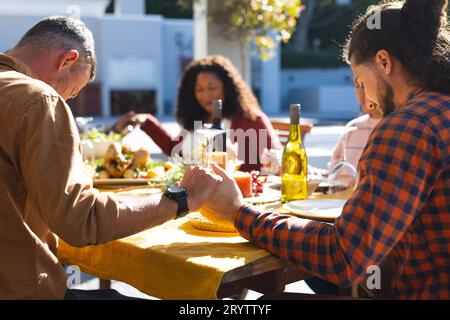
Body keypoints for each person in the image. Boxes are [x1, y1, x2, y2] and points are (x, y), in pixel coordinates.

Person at [202, 0, 450, 299]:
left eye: (360, 80)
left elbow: (344, 257)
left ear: (384, 62)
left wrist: (239, 212)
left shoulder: (409, 126)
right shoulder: (438, 113)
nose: (367, 100)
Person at [0, 16, 222, 299]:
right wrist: (180, 199)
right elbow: (80, 220)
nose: (66, 100)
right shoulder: (39, 98)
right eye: (73, 91)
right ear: (67, 60)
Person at [115, 55, 282, 172]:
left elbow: (277, 157)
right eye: (199, 89)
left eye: (212, 88)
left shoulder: (250, 119)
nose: (206, 96)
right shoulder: (200, 120)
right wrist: (147, 122)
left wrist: (273, 158)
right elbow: (176, 150)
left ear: (227, 88)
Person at [328, 85, 383, 172]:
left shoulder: (394, 127)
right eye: (357, 87)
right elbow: (335, 168)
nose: (362, 94)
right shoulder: (352, 127)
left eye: (365, 86)